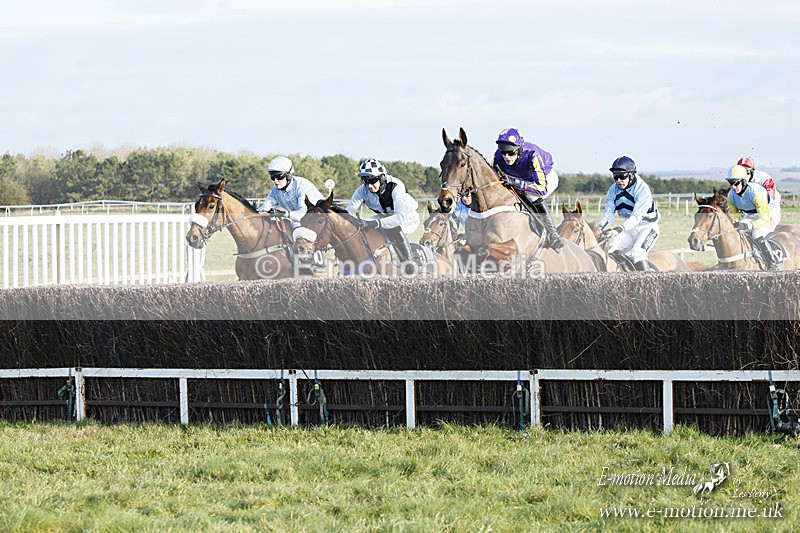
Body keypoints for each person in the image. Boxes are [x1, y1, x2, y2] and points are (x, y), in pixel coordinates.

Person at [492, 127, 564, 251]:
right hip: (520, 177)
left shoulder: (532, 155)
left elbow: (541, 188)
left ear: (519, 150)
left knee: (532, 196)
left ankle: (553, 235)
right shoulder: (497, 157)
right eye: (503, 152)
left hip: (545, 178)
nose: (507, 157)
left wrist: (517, 183)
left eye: (511, 153)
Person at [346, 158, 422, 268]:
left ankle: (410, 263)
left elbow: (399, 218)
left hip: (407, 216)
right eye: (366, 181)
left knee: (393, 227)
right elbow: (349, 211)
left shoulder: (395, 186)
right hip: (386, 215)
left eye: (372, 181)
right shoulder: (362, 190)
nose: (369, 186)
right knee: (364, 228)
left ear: (382, 177)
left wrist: (375, 223)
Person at [597, 156, 661, 272]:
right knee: (610, 249)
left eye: (622, 176)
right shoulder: (613, 190)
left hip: (647, 227)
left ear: (631, 175)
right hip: (629, 230)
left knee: (638, 253)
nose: (618, 180)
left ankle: (649, 283)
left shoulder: (642, 189)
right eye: (615, 177)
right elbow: (609, 213)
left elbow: (636, 217)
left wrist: (618, 229)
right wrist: (601, 227)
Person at [725, 164, 780, 270]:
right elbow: (734, 215)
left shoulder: (756, 193)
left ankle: (773, 265)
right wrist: (736, 223)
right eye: (730, 183)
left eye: (735, 183)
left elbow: (764, 219)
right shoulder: (731, 195)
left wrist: (749, 225)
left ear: (744, 181)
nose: (732, 187)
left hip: (766, 214)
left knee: (756, 234)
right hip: (750, 215)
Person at [258, 156, 325, 231]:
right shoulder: (275, 189)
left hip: (320, 222)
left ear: (289, 175)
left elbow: (304, 215)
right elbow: (265, 208)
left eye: (279, 176)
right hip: (302, 222)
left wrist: (284, 214)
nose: (275, 181)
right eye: (272, 177)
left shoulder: (302, 187)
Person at [736, 156, 782, 226]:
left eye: (746, 171)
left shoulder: (764, 178)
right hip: (753, 213)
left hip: (770, 210)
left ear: (752, 171)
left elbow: (770, 199)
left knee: (757, 233)